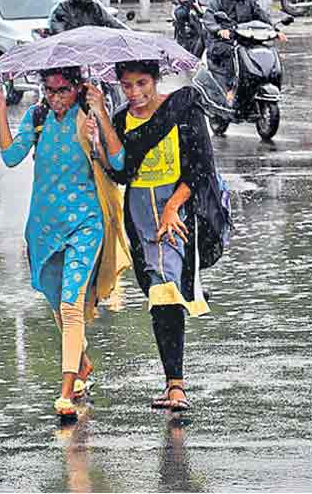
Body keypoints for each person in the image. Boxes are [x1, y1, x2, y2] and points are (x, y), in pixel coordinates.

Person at [0, 67, 130, 419]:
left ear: (77, 88)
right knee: (55, 300)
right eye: (48, 90)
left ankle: (66, 390)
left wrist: (100, 132)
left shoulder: (90, 116)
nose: (55, 97)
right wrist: (2, 107)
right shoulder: (36, 116)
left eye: (63, 90)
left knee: (71, 304)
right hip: (45, 227)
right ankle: (83, 363)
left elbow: (120, 163)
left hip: (85, 224)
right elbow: (10, 156)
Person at [86, 60, 231, 413]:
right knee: (156, 292)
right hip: (138, 218)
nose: (135, 93)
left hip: (177, 214)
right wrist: (99, 133)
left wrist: (171, 208)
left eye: (142, 83)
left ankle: (177, 386)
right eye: (127, 85)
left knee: (165, 290)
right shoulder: (120, 119)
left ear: (155, 80)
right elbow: (120, 172)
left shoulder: (182, 110)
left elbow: (200, 167)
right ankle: (172, 382)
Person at [202, 0, 283, 100]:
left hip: (247, 39)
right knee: (230, 53)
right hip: (224, 41)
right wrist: (219, 30)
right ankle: (230, 87)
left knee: (266, 50)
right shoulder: (217, 2)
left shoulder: (250, 1)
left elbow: (263, 17)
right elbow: (209, 18)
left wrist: (275, 30)